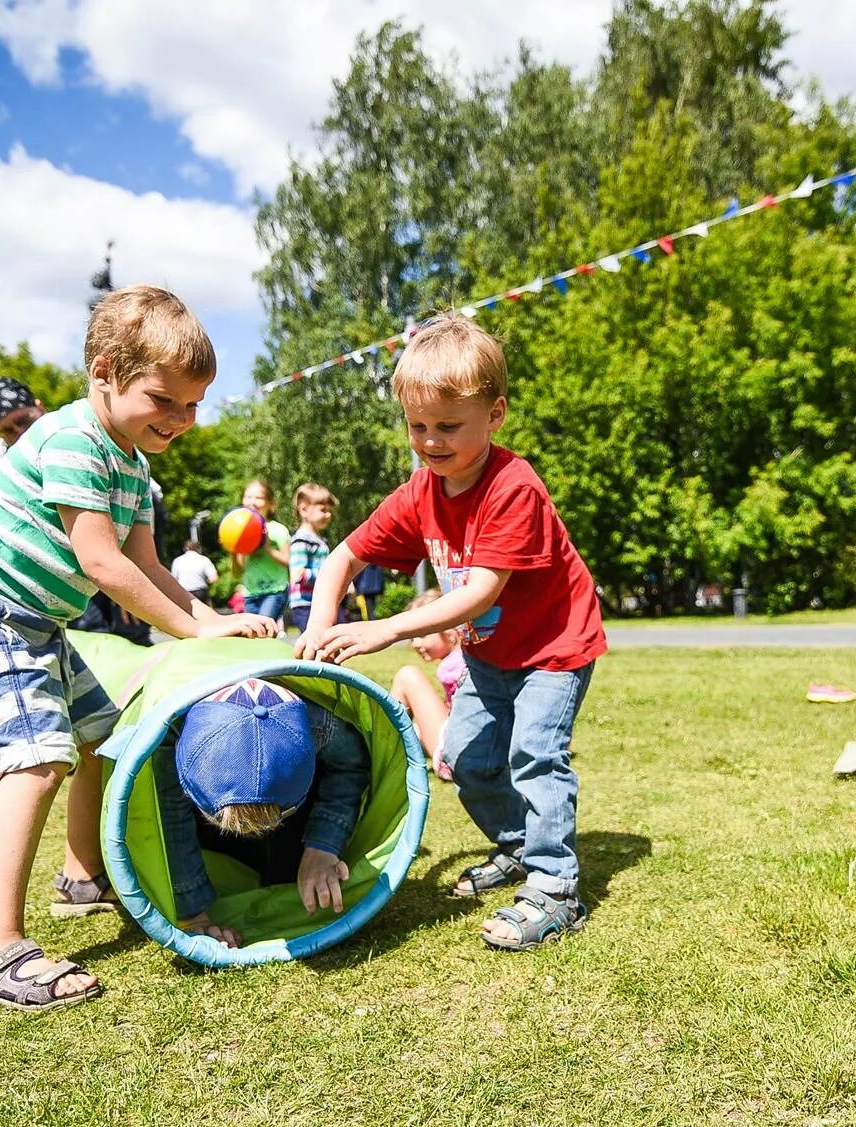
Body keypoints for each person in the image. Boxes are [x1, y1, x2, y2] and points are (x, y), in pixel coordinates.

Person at [0, 285, 278, 1011]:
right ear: (104, 371)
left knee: (101, 740)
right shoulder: (74, 438)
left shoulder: (135, 467)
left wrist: (214, 618)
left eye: (193, 404)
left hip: (37, 621)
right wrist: (195, 629)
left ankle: (82, 878)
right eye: (163, 400)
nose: (180, 420)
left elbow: (152, 567)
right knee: (39, 754)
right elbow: (105, 564)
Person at [295, 314, 607, 951]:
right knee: (463, 758)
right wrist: (319, 629)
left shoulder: (513, 487)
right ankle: (519, 847)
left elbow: (479, 592)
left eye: (447, 426)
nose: (431, 442)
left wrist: (383, 628)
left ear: (494, 414)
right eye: (418, 427)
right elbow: (342, 557)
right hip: (492, 654)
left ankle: (555, 886)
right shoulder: (420, 491)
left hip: (554, 648)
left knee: (533, 756)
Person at [153, 677, 372, 943]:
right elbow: (168, 813)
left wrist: (323, 845)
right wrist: (193, 913)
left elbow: (352, 762)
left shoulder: (317, 724)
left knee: (285, 876)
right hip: (192, 702)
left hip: (294, 741)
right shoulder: (170, 732)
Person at [389, 588, 465, 780]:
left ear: (448, 628)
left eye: (421, 634)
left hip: (455, 755)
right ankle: (384, 747)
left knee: (407, 676)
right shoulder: (465, 659)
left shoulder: (455, 665)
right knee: (412, 732)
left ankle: (381, 750)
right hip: (465, 751)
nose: (414, 644)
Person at [233, 479, 291, 626]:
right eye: (248, 497)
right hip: (250, 594)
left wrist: (268, 548)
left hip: (274, 592)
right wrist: (233, 551)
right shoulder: (241, 532)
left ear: (271, 504)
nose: (252, 502)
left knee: (263, 629)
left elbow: (289, 561)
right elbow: (237, 572)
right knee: (253, 635)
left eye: (258, 498)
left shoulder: (278, 530)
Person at [287, 482, 338, 633]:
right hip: (305, 604)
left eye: (329, 510)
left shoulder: (320, 541)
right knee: (315, 643)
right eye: (323, 510)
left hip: (318, 602)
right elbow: (298, 574)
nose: (328, 515)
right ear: (304, 510)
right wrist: (330, 576)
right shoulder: (301, 541)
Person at [0, 377, 45, 474]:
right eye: (8, 431)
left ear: (39, 407)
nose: (21, 433)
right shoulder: (0, 457)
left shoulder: (68, 424)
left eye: (24, 420)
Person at [170, 538, 217, 607]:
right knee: (204, 614)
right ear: (198, 549)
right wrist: (204, 581)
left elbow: (173, 579)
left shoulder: (177, 561)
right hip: (200, 592)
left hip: (183, 592)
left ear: (185, 548)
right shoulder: (204, 559)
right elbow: (214, 578)